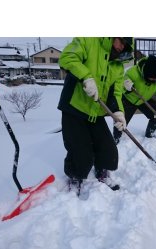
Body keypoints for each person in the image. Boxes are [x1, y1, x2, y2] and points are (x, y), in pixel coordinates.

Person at [58, 37, 133, 194]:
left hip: (96, 112)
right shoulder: (88, 40)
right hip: (74, 106)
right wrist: (86, 76)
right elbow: (67, 57)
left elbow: (116, 92)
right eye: (121, 40)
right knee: (81, 153)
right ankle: (75, 176)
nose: (122, 46)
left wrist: (118, 112)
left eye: (126, 44)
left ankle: (102, 172)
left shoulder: (118, 65)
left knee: (109, 150)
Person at [113, 55, 156, 144]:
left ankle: (150, 135)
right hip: (129, 99)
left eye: (155, 79)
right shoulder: (133, 73)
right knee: (120, 121)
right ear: (145, 74)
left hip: (144, 100)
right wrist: (125, 86)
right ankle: (116, 138)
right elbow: (119, 88)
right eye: (151, 79)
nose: (153, 81)